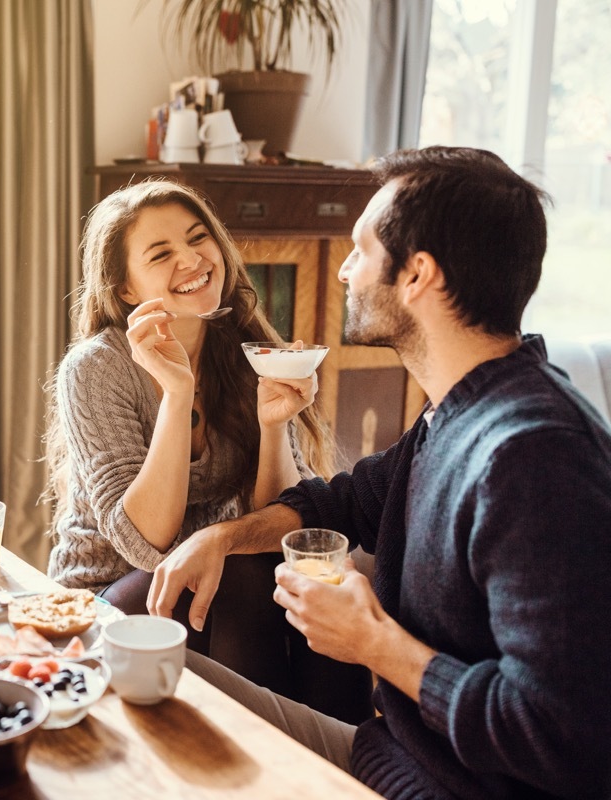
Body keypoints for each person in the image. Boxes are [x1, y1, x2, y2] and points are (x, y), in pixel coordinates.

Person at [148, 147, 611, 799]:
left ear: (418, 274)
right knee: (146, 675)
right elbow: (343, 502)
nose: (342, 271)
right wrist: (220, 537)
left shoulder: (534, 457)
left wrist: (374, 644)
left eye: (361, 250)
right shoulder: (458, 413)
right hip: (388, 754)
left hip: (436, 786)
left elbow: (562, 733)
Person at [43, 178, 373, 722]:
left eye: (199, 239)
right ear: (126, 289)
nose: (192, 259)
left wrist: (274, 425)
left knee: (319, 580)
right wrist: (176, 395)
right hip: (104, 597)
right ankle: (269, 764)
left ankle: (349, 761)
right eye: (161, 253)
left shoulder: (244, 347)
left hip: (218, 576)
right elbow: (148, 544)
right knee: (240, 576)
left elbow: (281, 524)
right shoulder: (96, 369)